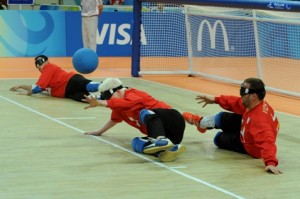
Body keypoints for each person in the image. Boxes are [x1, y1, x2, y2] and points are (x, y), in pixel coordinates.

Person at [182, 77, 282, 174]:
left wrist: (270, 162)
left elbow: (267, 140)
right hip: (248, 128)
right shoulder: (253, 104)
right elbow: (235, 102)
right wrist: (215, 99)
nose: (241, 95)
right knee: (221, 117)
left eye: (244, 93)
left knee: (218, 138)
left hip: (249, 145)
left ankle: (208, 127)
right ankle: (201, 123)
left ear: (253, 96)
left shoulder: (259, 120)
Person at [83, 77, 186, 162]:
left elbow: (129, 102)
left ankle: (161, 140)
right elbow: (114, 119)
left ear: (118, 91)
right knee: (136, 142)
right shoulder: (118, 108)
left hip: (173, 119)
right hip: (170, 136)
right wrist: (99, 132)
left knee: (144, 113)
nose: (110, 101)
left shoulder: (132, 93)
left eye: (110, 98)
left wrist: (101, 103)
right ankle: (167, 151)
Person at [9, 55, 100, 102]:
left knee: (90, 87)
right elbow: (38, 87)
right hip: (68, 93)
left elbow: (36, 89)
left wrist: (27, 93)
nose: (39, 68)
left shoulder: (48, 67)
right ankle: (105, 96)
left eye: (39, 64)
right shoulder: (46, 76)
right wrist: (20, 86)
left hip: (71, 81)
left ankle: (112, 84)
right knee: (87, 99)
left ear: (44, 62)